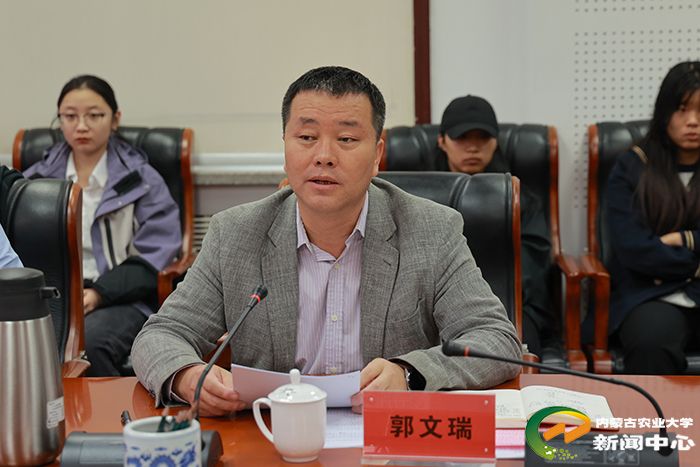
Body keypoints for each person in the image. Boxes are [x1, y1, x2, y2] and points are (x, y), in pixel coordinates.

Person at [132, 66, 521, 416]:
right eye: (306, 137)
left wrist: (409, 373)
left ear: (377, 155)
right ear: (285, 146)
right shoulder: (235, 234)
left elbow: (497, 341)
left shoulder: (432, 231)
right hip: (271, 436)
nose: (324, 156)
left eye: (347, 138)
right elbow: (161, 335)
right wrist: (187, 376)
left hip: (387, 438)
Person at [23, 75, 181, 376]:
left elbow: (155, 257)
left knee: (92, 342)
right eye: (70, 116)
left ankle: (106, 410)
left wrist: (98, 293)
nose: (81, 126)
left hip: (121, 299)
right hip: (53, 297)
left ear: (115, 119)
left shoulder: (141, 180)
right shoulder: (36, 181)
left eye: (94, 115)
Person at [436, 95, 553, 357]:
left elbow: (533, 265)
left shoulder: (520, 198)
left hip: (509, 303)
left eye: (482, 138)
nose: (473, 147)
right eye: (462, 137)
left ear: (496, 141)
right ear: (442, 141)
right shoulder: (416, 196)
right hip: (437, 305)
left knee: (516, 350)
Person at [605, 61, 700, 374]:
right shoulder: (633, 166)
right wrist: (694, 266)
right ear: (664, 111)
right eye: (682, 109)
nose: (693, 121)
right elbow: (633, 248)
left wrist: (684, 239)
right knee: (651, 342)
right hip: (650, 295)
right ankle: (654, 412)